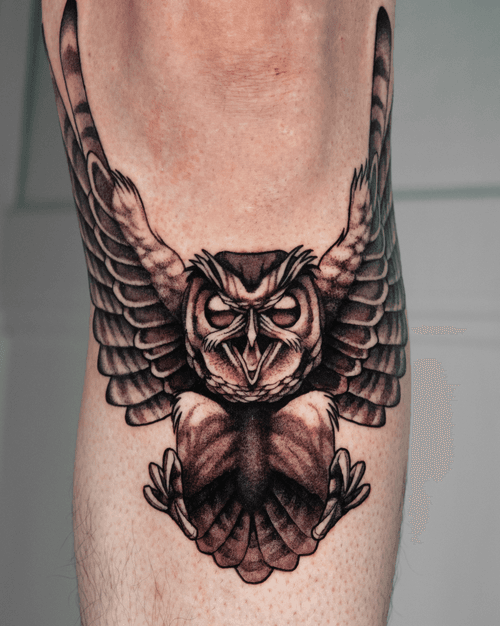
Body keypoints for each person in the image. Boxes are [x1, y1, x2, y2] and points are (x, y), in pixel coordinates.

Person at [42, 0, 410, 623]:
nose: (252, 345)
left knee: (261, 51)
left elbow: (351, 248)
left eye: (281, 315)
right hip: (215, 499)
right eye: (224, 318)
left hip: (293, 501)